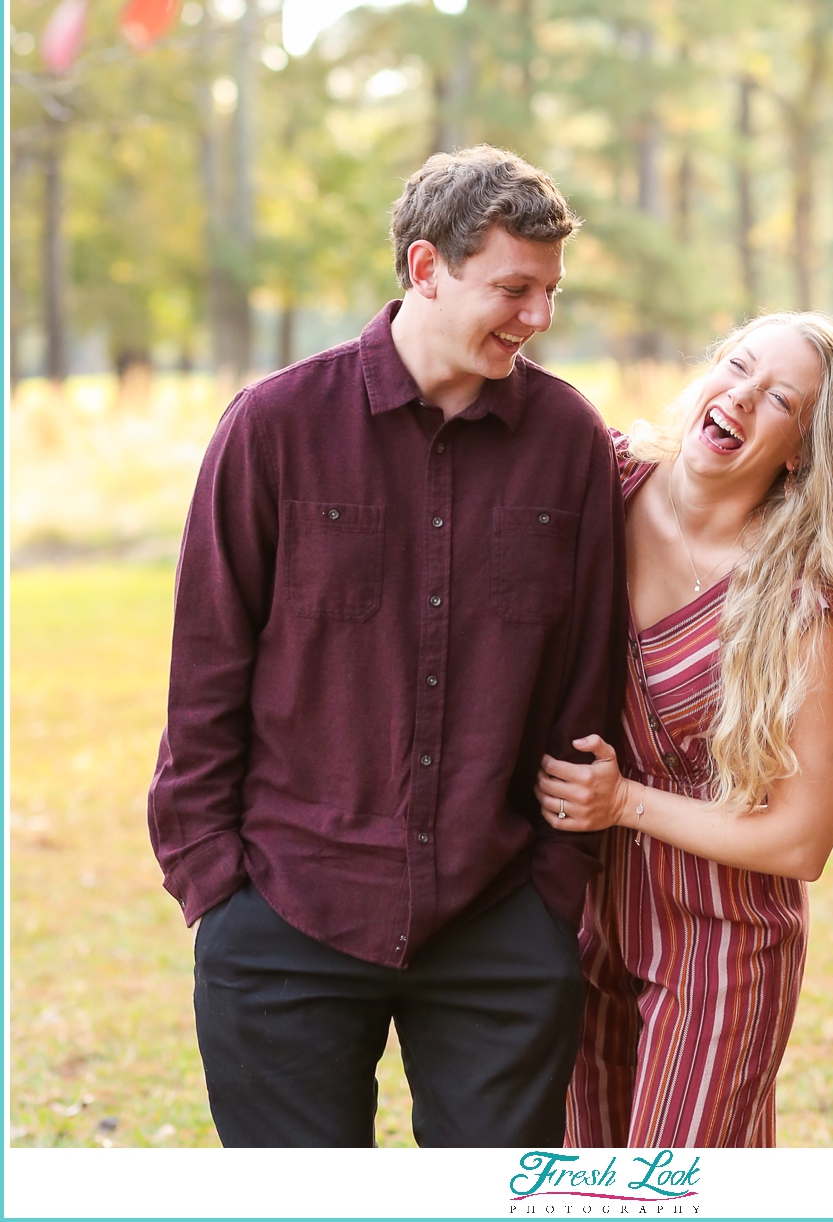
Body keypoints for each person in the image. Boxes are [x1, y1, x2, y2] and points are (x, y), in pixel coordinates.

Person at [149, 146, 628, 1149]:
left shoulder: (570, 439)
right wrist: (215, 888)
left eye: (549, 292)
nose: (537, 317)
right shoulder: (273, 427)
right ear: (425, 268)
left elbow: (585, 677)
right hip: (284, 909)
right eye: (513, 288)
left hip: (499, 914)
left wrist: (555, 888)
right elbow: (206, 673)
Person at [536, 312, 833, 1148]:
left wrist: (624, 803)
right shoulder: (600, 483)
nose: (741, 397)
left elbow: (803, 839)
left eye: (779, 400)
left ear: (799, 450)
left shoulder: (795, 601)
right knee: (588, 1188)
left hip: (722, 949)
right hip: (578, 920)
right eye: (737, 367)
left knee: (675, 1192)